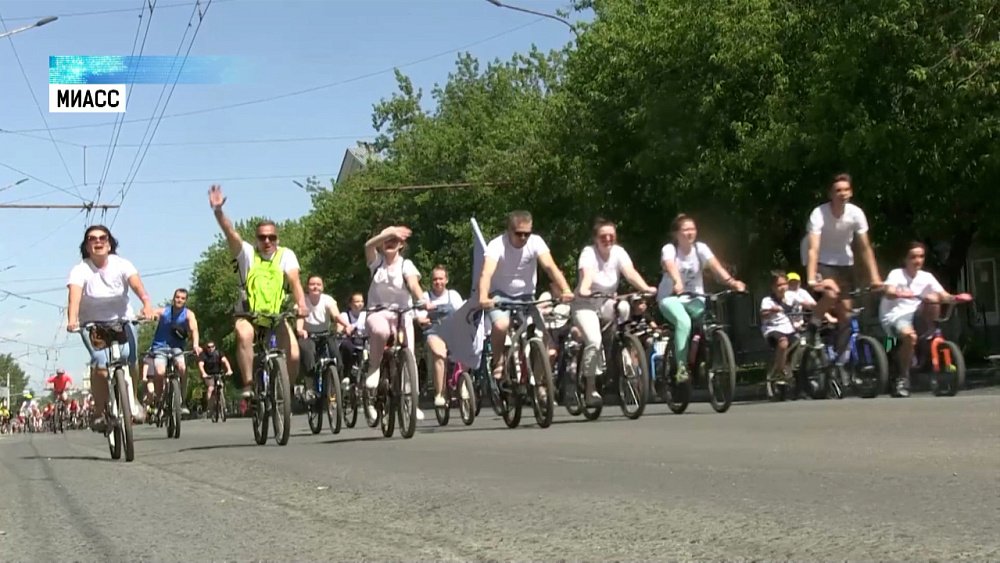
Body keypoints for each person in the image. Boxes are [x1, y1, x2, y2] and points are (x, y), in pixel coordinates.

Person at [208, 185, 307, 399]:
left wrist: (302, 303)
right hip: (249, 314)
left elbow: (295, 280)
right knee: (244, 334)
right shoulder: (247, 254)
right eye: (262, 237)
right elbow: (231, 233)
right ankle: (249, 385)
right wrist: (218, 212)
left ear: (277, 239)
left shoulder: (286, 254)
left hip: (275, 315)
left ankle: (287, 394)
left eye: (271, 237)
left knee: (294, 353)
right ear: (256, 240)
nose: (267, 241)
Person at [66, 224, 154, 430]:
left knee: (131, 360)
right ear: (87, 246)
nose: (98, 241)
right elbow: (74, 298)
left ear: (109, 243)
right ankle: (98, 412)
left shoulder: (122, 264)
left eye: (102, 238)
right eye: (92, 239)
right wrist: (72, 320)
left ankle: (132, 399)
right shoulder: (80, 270)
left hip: (123, 321)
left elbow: (137, 286)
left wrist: (147, 304)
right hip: (93, 324)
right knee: (100, 364)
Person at [477, 210, 574, 382]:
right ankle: (498, 360)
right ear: (509, 230)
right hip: (500, 295)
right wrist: (484, 296)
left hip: (527, 296)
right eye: (519, 234)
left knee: (544, 337)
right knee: (501, 325)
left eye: (527, 234)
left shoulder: (536, 242)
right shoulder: (496, 245)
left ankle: (539, 382)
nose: (523, 238)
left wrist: (565, 289)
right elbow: (486, 273)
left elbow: (550, 267)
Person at [574, 219, 656, 406]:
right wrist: (585, 288)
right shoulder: (589, 253)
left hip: (608, 301)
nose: (608, 239)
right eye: (603, 236)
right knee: (594, 341)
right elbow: (586, 275)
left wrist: (645, 287)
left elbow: (630, 272)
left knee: (624, 307)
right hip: (585, 304)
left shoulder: (618, 252)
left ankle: (620, 349)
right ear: (595, 238)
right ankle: (590, 389)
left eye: (612, 235)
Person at [804, 173, 883, 367]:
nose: (842, 194)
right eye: (838, 190)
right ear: (830, 193)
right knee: (831, 293)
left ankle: (839, 361)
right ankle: (813, 325)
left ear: (851, 192)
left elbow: (865, 247)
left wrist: (875, 278)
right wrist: (812, 278)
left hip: (845, 266)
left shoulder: (856, 213)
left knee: (846, 316)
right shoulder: (819, 213)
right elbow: (813, 248)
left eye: (846, 190)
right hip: (822, 263)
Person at [657, 214, 746, 383]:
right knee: (684, 322)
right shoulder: (669, 249)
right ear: (676, 233)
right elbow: (670, 265)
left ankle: (701, 358)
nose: (690, 233)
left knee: (706, 323)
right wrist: (677, 282)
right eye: (686, 230)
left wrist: (732, 282)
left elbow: (716, 266)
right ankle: (681, 367)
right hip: (671, 297)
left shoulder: (700, 249)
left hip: (695, 297)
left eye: (693, 229)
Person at [879, 241, 971, 397]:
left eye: (921, 257)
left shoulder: (926, 277)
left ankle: (929, 337)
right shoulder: (896, 274)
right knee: (909, 336)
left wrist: (956, 298)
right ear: (905, 259)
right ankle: (903, 377)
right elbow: (888, 290)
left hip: (918, 314)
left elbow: (942, 295)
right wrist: (899, 293)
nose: (918, 261)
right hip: (896, 315)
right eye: (913, 257)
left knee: (932, 297)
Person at [363, 225, 432, 421]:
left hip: (402, 314)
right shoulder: (376, 262)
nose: (391, 242)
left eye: (395, 240)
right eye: (387, 240)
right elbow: (368, 245)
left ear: (402, 245)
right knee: (381, 331)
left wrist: (423, 301)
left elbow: (413, 284)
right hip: (378, 312)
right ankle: (375, 367)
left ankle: (411, 402)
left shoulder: (406, 265)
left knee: (408, 355)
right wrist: (388, 233)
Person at [144, 288, 201, 416]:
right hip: (160, 347)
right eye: (177, 297)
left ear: (186, 300)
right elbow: (153, 313)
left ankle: (183, 401)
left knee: (182, 368)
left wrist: (196, 345)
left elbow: (194, 329)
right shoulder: (165, 312)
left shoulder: (188, 314)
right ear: (173, 298)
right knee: (160, 372)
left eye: (182, 298)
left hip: (177, 348)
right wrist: (146, 315)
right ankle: (159, 400)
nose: (179, 300)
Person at [416, 266, 465, 407]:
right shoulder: (426, 296)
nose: (438, 282)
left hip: (452, 330)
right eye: (435, 279)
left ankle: (463, 384)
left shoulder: (453, 295)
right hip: (433, 330)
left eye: (440, 278)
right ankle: (440, 393)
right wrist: (421, 319)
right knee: (439, 354)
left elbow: (461, 313)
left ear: (446, 280)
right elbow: (419, 315)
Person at [296, 275, 341, 404]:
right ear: (307, 287)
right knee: (308, 352)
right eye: (312, 284)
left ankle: (337, 385)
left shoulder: (328, 300)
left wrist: (340, 327)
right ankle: (310, 388)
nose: (315, 287)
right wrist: (300, 330)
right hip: (308, 335)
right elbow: (300, 317)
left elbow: (336, 315)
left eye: (318, 284)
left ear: (322, 287)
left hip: (325, 334)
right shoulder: (303, 300)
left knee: (335, 352)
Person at [760, 271, 799, 383]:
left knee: (802, 342)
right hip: (773, 329)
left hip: (790, 328)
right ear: (773, 287)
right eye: (779, 285)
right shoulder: (767, 300)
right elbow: (763, 314)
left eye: (784, 284)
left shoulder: (791, 296)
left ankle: (792, 367)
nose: (782, 288)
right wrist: (772, 310)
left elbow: (807, 303)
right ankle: (780, 371)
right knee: (783, 343)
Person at [337, 293, 368, 384]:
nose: (360, 304)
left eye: (362, 301)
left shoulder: (365, 315)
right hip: (349, 341)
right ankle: (346, 375)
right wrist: (344, 329)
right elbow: (339, 328)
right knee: (348, 347)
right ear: (350, 304)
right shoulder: (345, 315)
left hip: (363, 341)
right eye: (357, 301)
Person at [198, 341, 233, 412]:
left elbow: (225, 361)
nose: (210, 348)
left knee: (221, 386)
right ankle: (209, 407)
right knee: (210, 388)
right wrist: (203, 373)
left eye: (212, 347)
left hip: (218, 374)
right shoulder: (203, 355)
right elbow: (200, 364)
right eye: (208, 347)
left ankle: (223, 406)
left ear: (214, 347)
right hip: (208, 375)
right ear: (206, 348)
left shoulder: (218, 353)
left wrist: (229, 370)